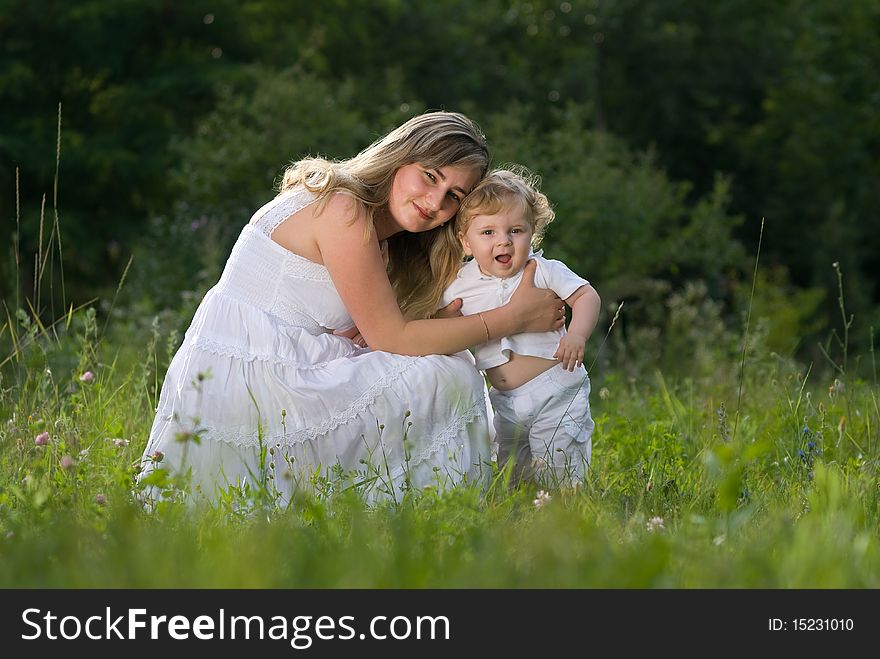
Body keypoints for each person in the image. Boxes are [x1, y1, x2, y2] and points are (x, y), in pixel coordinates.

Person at [138, 111, 566, 505]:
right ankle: (442, 511)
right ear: (399, 159)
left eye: (454, 195)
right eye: (429, 176)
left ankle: (430, 506)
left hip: (274, 367)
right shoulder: (344, 208)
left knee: (441, 362)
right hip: (256, 380)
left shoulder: (377, 235)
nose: (436, 202)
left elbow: (369, 330)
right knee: (450, 376)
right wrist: (512, 318)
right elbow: (391, 338)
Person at [439, 167, 601, 487]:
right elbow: (439, 319)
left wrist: (577, 335)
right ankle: (521, 519)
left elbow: (586, 296)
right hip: (504, 399)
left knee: (560, 465)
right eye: (488, 233)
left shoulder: (542, 269)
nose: (504, 241)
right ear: (465, 242)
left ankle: (566, 515)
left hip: (556, 389)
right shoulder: (460, 283)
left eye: (516, 231)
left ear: (532, 232)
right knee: (513, 471)